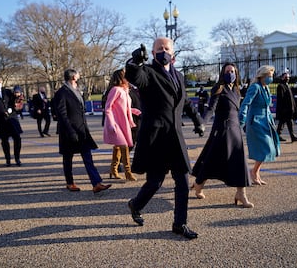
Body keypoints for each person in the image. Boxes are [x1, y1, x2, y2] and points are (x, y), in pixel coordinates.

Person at [125, 38, 205, 239]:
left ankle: (180, 224)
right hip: (156, 138)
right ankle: (135, 204)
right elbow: (135, 77)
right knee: (155, 182)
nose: (163, 51)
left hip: (176, 139)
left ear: (174, 54)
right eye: (159, 49)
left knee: (183, 181)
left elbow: (185, 102)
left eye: (166, 48)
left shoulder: (178, 75)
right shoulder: (148, 72)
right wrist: (134, 62)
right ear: (152, 54)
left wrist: (197, 120)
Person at [190, 62, 253, 208]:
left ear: (236, 73)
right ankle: (198, 184)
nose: (230, 73)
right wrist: (203, 123)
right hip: (222, 129)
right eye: (227, 71)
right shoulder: (218, 88)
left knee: (239, 161)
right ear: (222, 74)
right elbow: (211, 109)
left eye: (232, 71)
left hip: (235, 129)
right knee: (212, 160)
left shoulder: (237, 90)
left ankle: (241, 193)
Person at [53, 69, 111, 193]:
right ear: (73, 77)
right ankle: (69, 182)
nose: (79, 75)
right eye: (78, 74)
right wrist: (70, 131)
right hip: (69, 131)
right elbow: (62, 114)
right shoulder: (62, 92)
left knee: (87, 156)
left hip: (81, 130)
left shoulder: (77, 90)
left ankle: (96, 183)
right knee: (68, 158)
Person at [239, 65, 281, 185]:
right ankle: (254, 172)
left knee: (270, 148)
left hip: (266, 121)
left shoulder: (265, 88)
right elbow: (245, 103)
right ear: (262, 76)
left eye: (271, 76)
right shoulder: (255, 87)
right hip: (256, 121)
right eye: (269, 76)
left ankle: (255, 172)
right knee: (265, 148)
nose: (271, 78)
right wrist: (242, 118)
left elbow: (267, 106)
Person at [103, 68, 139, 181]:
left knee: (118, 147)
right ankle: (128, 172)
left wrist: (135, 111)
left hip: (123, 122)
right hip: (116, 123)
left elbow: (124, 107)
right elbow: (108, 107)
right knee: (124, 146)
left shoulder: (125, 90)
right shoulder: (115, 90)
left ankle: (113, 170)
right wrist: (111, 123)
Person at [275, 72, 297, 142]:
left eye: (288, 77)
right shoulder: (280, 86)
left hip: (289, 108)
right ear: (282, 78)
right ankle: (291, 136)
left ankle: (278, 135)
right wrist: (283, 109)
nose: (287, 78)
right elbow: (281, 98)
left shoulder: (287, 85)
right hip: (285, 109)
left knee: (283, 122)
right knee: (287, 122)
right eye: (286, 77)